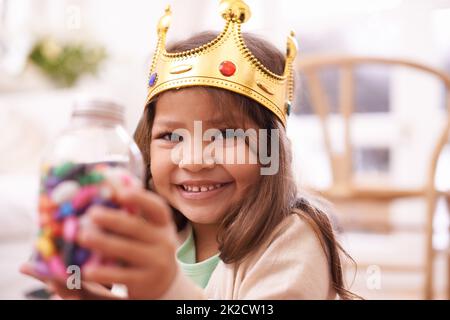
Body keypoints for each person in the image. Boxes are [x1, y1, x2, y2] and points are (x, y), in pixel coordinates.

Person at [21, 0, 357, 300]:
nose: (194, 160)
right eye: (172, 137)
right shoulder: (153, 235)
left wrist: (167, 288)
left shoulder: (292, 238)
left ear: (271, 150)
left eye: (226, 135)